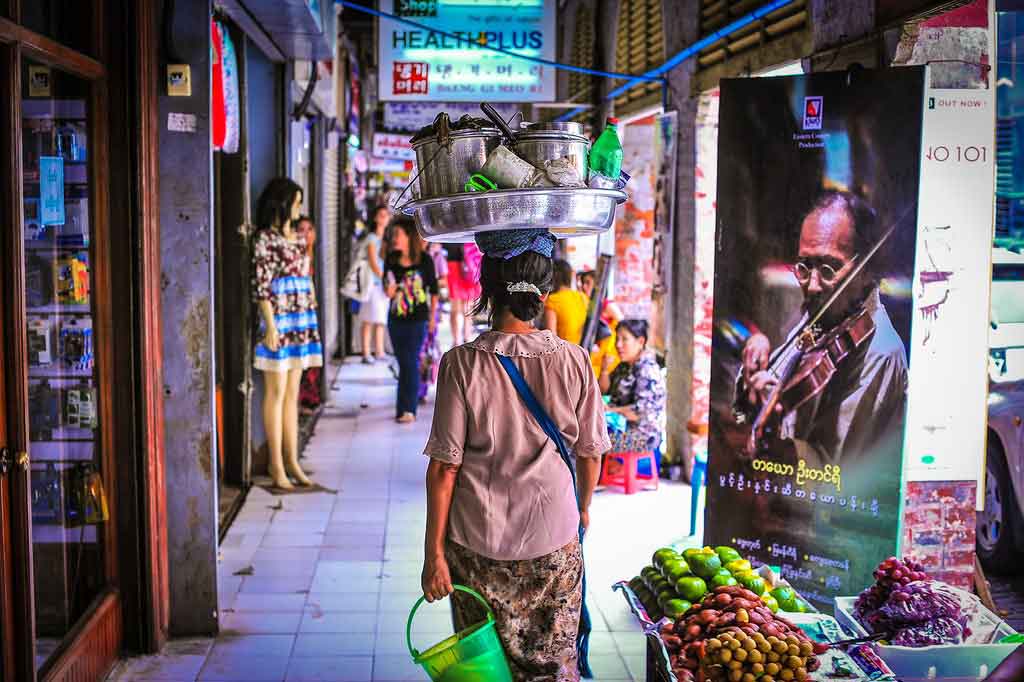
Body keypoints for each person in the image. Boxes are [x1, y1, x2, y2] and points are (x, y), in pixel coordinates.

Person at [421, 228, 609, 681]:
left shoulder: (461, 364)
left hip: (477, 546)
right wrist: (582, 508)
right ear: (544, 292)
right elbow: (589, 454)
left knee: (484, 667)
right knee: (551, 666)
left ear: (487, 287)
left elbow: (445, 468)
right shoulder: (575, 360)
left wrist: (433, 555)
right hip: (553, 543)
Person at [734, 191, 908, 468]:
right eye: (804, 266)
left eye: (829, 269)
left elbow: (835, 472)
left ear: (866, 271)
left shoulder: (880, 354)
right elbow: (780, 382)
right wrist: (758, 352)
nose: (813, 285)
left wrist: (779, 448)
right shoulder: (823, 314)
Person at [251, 178, 320, 489]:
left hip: (301, 317)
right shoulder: (264, 238)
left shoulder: (295, 237)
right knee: (276, 394)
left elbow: (307, 275)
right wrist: (269, 325)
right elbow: (261, 286)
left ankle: (292, 459)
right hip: (279, 317)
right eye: (295, 202)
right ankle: (275, 464)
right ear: (282, 203)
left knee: (292, 394)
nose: (298, 209)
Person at [385, 216, 439, 423]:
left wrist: (432, 317)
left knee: (411, 361)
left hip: (418, 320)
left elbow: (434, 291)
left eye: (397, 234)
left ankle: (408, 409)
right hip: (395, 319)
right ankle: (403, 408)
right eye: (393, 235)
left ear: (409, 236)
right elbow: (387, 288)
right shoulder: (391, 259)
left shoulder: (425, 261)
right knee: (404, 362)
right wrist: (389, 289)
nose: (394, 239)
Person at [599, 319, 666, 453]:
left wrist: (610, 411)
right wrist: (605, 371)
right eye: (617, 339)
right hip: (620, 427)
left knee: (589, 443)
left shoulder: (647, 370)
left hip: (642, 437)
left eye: (624, 339)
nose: (618, 345)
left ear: (640, 342)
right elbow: (603, 391)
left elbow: (639, 412)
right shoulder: (624, 366)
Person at [294, 215, 322, 412]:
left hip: (308, 312)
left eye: (309, 229)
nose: (305, 234)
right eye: (301, 229)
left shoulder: (311, 254)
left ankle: (303, 401)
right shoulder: (295, 254)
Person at [356, 205, 391, 364]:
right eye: (381, 215)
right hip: (373, 285)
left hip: (383, 285)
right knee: (369, 319)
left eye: (386, 215)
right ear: (376, 218)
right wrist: (384, 279)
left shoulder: (387, 239)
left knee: (380, 319)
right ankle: (365, 352)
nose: (384, 218)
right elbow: (373, 262)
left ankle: (379, 351)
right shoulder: (371, 238)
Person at [444, 242, 482, 347]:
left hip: (456, 261)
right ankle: (466, 339)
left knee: (457, 307)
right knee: (467, 307)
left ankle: (457, 341)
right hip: (470, 261)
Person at [544, 259, 589, 345]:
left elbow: (551, 338)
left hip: (566, 354)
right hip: (583, 352)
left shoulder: (553, 300)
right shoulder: (582, 297)